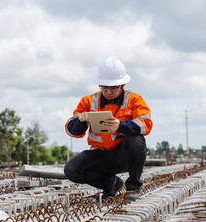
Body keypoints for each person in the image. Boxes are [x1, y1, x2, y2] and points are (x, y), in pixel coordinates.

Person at [64, 56, 153, 201]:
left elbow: (146, 124)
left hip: (124, 156)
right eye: (105, 87)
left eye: (113, 87)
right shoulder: (88, 101)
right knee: (71, 170)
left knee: (136, 138)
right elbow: (71, 130)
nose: (108, 91)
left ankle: (132, 188)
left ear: (122, 84)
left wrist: (121, 126)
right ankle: (111, 184)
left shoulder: (134, 100)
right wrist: (80, 121)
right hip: (101, 155)